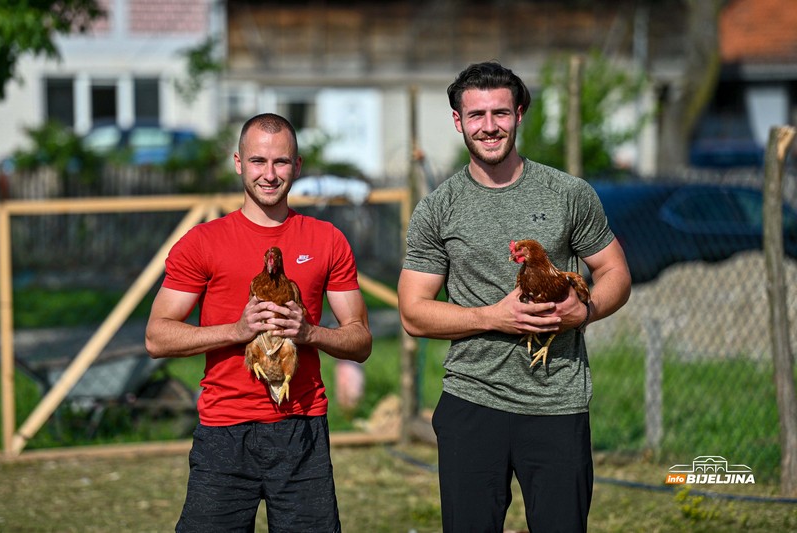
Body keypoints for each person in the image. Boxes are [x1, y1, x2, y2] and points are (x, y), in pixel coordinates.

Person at [397, 62, 631, 532]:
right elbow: (413, 313)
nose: (489, 126)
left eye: (500, 112)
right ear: (458, 121)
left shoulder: (569, 193)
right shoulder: (438, 208)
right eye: (477, 115)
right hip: (473, 401)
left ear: (519, 114)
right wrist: (493, 317)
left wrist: (583, 312)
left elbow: (615, 271)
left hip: (557, 402)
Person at [145, 112, 372, 532]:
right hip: (224, 430)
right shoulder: (203, 241)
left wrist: (310, 333)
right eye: (258, 162)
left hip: (301, 427)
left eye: (281, 162)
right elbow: (157, 336)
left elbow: (360, 341)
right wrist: (237, 330)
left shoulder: (327, 240)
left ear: (298, 166)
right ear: (238, 163)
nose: (269, 174)